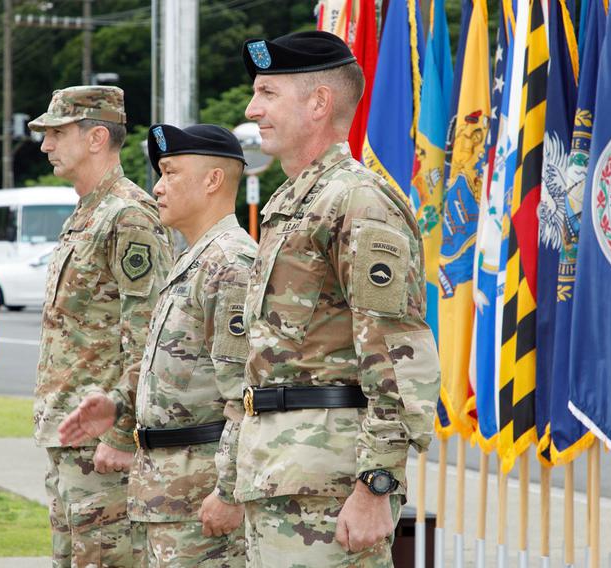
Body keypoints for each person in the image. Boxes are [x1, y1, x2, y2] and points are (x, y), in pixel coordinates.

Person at [236, 31, 441, 566]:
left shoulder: (357, 201)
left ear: (318, 102)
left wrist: (376, 484)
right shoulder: (291, 202)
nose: (251, 108)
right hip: (278, 474)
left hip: (329, 487)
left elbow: (398, 356)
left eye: (267, 93)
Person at [57, 124, 256, 568]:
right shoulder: (194, 258)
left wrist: (229, 492)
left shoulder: (230, 264)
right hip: (165, 495)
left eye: (170, 173)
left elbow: (244, 397)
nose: (158, 187)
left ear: (212, 181)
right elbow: (177, 376)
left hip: (200, 500)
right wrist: (118, 405)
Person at [29, 85, 173, 567]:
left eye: (56, 132)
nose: (46, 145)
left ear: (95, 137)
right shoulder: (86, 213)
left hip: (103, 444)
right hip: (71, 437)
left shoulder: (128, 216)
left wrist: (123, 431)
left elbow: (149, 337)